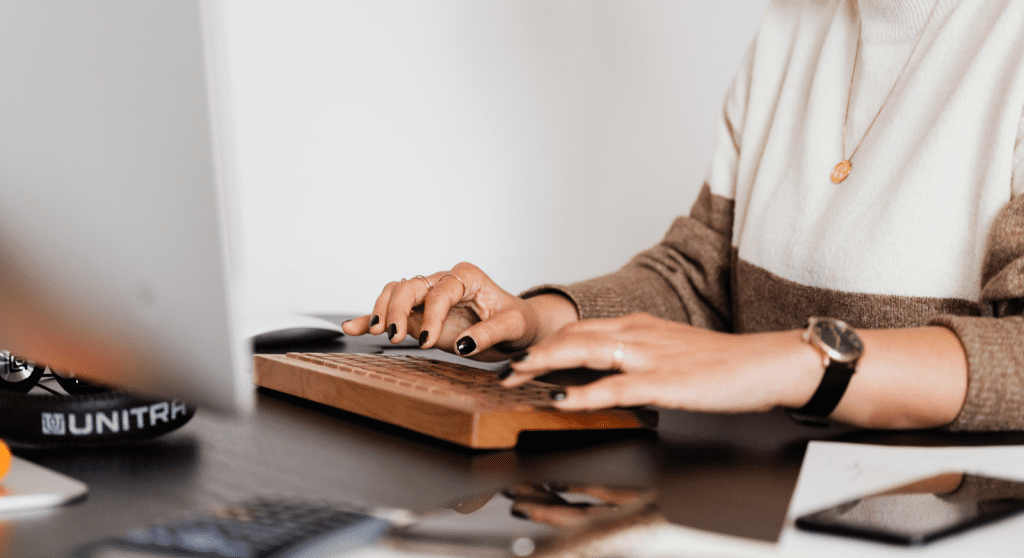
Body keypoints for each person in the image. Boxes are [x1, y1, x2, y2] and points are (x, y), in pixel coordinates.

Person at [343, 0, 1024, 431]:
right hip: (766, 519)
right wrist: (530, 319)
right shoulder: (791, 23)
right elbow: (704, 274)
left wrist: (801, 361)